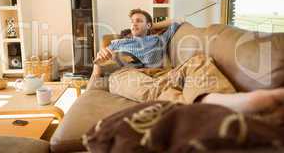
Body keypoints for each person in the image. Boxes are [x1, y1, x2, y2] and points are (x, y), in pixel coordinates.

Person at [88, 8, 284, 114]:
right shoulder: (117, 43)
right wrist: (99, 63)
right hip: (126, 74)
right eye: (132, 21)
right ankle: (217, 105)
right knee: (156, 90)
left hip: (162, 74)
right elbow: (95, 78)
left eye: (139, 20)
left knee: (199, 60)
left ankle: (225, 100)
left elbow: (179, 20)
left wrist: (153, 25)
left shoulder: (159, 38)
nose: (134, 23)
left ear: (148, 25)